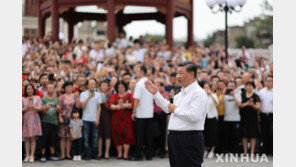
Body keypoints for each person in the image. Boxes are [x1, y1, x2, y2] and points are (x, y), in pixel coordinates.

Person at [145, 61, 208, 167]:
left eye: (181, 73)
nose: (178, 76)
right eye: (177, 73)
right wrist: (156, 94)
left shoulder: (198, 93)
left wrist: (176, 109)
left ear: (192, 74)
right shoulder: (181, 93)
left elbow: (195, 116)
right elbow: (168, 108)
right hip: (175, 137)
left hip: (189, 138)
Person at [132, 66, 155, 161]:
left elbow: (137, 99)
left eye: (137, 71)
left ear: (141, 72)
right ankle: (149, 154)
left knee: (140, 135)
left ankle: (139, 155)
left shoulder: (139, 83)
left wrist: (133, 111)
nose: (136, 73)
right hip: (150, 113)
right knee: (149, 135)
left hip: (141, 113)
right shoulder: (150, 82)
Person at [109, 80, 136, 160]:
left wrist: (125, 105)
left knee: (127, 135)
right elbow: (111, 105)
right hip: (116, 119)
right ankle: (119, 153)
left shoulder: (129, 95)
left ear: (125, 87)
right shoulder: (114, 95)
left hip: (126, 118)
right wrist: (117, 107)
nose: (120, 89)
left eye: (122, 87)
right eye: (119, 87)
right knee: (117, 134)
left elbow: (133, 104)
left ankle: (125, 154)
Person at [80, 78, 102, 160]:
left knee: (95, 138)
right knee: (86, 138)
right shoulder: (83, 94)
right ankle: (87, 154)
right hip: (85, 118)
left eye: (94, 84)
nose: (92, 85)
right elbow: (82, 106)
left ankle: (95, 154)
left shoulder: (98, 94)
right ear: (87, 85)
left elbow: (99, 108)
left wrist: (98, 119)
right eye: (91, 84)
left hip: (94, 119)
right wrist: (89, 97)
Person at [238, 81, 261, 156]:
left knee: (253, 135)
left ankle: (252, 151)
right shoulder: (242, 95)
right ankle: (245, 151)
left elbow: (258, 107)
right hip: (244, 117)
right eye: (247, 86)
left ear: (253, 87)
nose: (248, 87)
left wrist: (252, 105)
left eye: (250, 86)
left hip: (253, 118)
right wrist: (247, 104)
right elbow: (239, 105)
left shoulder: (256, 96)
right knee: (244, 135)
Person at [58, 81, 80, 160]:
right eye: (67, 87)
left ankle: (68, 154)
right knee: (62, 137)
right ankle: (63, 154)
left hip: (72, 119)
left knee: (69, 137)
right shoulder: (61, 97)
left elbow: (78, 106)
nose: (69, 88)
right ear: (64, 88)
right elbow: (59, 108)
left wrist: (77, 98)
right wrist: (59, 117)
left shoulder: (75, 96)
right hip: (63, 118)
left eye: (71, 86)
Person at [40, 83, 61, 162]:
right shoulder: (43, 99)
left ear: (54, 89)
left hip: (54, 121)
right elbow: (43, 112)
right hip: (45, 121)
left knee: (53, 138)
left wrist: (58, 109)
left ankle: (52, 155)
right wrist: (45, 107)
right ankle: (43, 155)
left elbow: (58, 111)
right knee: (44, 138)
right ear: (46, 89)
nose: (51, 89)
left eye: (52, 88)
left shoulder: (57, 99)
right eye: (49, 88)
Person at [22, 84, 43, 163]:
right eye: (28, 89)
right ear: (26, 90)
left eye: (31, 89)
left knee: (33, 138)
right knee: (26, 138)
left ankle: (32, 155)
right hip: (26, 118)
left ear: (33, 90)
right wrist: (26, 107)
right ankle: (27, 155)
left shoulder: (37, 98)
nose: (29, 90)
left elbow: (40, 108)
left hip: (35, 118)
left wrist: (34, 107)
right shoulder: (23, 99)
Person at [202, 82, 219, 159]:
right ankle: (205, 150)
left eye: (207, 87)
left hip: (212, 117)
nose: (206, 89)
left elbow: (217, 103)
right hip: (204, 117)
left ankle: (212, 150)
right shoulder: (202, 96)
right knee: (205, 133)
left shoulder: (214, 95)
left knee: (213, 133)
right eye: (205, 87)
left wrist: (211, 94)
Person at [223, 81, 241, 153]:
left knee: (236, 136)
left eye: (233, 86)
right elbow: (220, 102)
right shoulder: (225, 95)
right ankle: (227, 150)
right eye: (230, 86)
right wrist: (223, 93)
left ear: (235, 87)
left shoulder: (238, 94)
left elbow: (239, 104)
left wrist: (233, 96)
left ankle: (236, 150)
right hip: (226, 118)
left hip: (236, 118)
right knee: (227, 136)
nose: (231, 88)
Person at [258, 75, 273, 155]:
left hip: (272, 115)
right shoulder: (261, 92)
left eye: (270, 81)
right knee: (264, 133)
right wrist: (258, 115)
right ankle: (265, 150)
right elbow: (259, 103)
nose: (268, 82)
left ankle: (272, 150)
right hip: (263, 115)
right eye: (267, 81)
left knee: (272, 133)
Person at [98, 80, 112, 159]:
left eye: (105, 85)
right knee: (99, 135)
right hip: (98, 115)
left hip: (107, 116)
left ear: (108, 87)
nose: (104, 87)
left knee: (107, 134)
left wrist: (105, 102)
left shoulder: (110, 95)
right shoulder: (97, 94)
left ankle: (107, 152)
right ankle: (100, 152)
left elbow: (110, 107)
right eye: (102, 85)